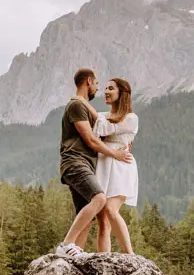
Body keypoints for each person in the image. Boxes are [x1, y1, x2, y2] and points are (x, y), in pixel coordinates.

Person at [54, 67, 133, 259]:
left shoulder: (82, 105)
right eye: (97, 84)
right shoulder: (76, 105)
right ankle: (66, 245)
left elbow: (105, 124)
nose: (99, 89)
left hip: (86, 164)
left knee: (86, 217)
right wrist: (115, 153)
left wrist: (124, 141)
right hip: (75, 162)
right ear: (88, 81)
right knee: (99, 199)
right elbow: (90, 139)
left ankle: (73, 258)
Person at [93, 77, 138, 254]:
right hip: (103, 165)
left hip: (121, 165)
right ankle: (103, 259)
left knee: (111, 209)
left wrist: (96, 116)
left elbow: (106, 129)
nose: (106, 91)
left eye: (111, 88)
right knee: (102, 220)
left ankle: (130, 255)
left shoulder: (131, 118)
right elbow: (93, 137)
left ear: (122, 93)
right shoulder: (102, 116)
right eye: (105, 88)